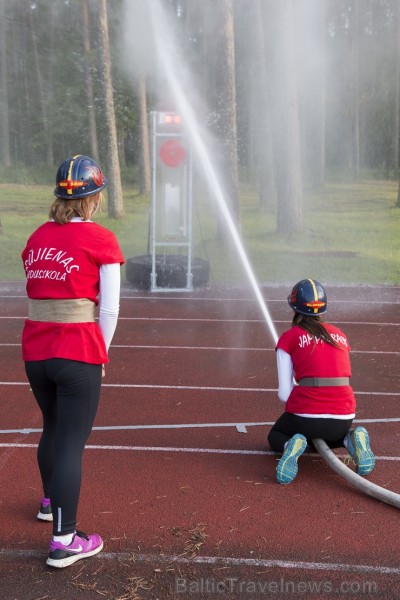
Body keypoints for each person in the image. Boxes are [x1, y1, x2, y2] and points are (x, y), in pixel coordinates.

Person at [21, 155, 125, 567]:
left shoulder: (35, 236)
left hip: (35, 351)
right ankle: (64, 539)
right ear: (94, 197)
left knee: (53, 426)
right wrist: (100, 351)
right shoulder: (101, 239)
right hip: (77, 351)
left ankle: (50, 502)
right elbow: (111, 309)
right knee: (71, 442)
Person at [268, 278, 375, 485]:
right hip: (344, 416)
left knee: (276, 435)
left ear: (294, 307)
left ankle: (292, 443)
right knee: (328, 432)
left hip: (306, 416)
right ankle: (348, 439)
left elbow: (284, 393)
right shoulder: (341, 335)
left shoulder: (289, 338)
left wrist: (305, 405)